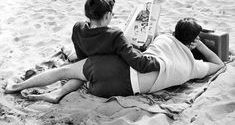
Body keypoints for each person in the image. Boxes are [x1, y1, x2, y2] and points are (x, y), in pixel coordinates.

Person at [5, 18, 225, 103]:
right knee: (86, 76)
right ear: (193, 41)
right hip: (117, 89)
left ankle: (18, 86)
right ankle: (57, 94)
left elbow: (158, 35)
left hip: (119, 69)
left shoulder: (165, 39)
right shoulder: (193, 68)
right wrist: (202, 45)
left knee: (69, 70)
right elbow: (219, 65)